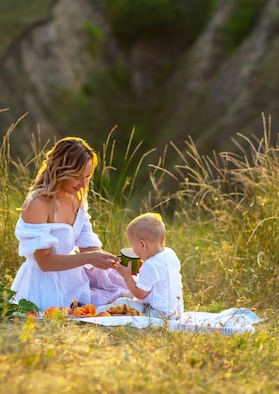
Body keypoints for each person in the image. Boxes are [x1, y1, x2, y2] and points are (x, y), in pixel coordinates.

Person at [11, 137, 130, 310]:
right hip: (42, 288)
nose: (83, 184)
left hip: (74, 283)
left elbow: (88, 249)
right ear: (60, 170)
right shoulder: (37, 204)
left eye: (87, 176)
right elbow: (45, 263)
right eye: (77, 177)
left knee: (124, 297)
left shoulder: (77, 198)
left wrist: (112, 262)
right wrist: (89, 258)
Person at [111, 212, 184, 319]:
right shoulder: (170, 253)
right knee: (129, 298)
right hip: (176, 312)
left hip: (158, 315)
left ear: (142, 244)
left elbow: (140, 294)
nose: (132, 249)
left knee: (122, 302)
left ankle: (94, 313)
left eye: (132, 245)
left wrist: (126, 276)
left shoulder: (150, 265)